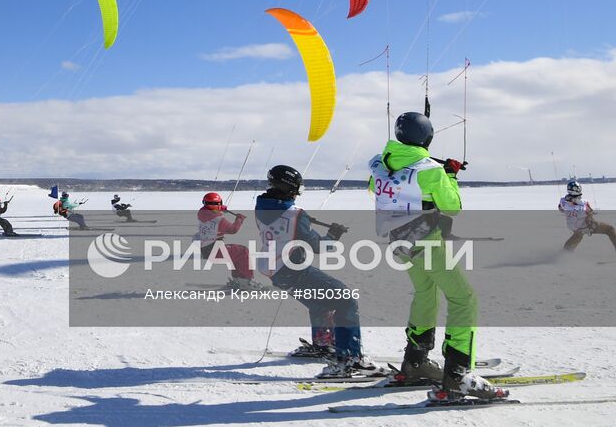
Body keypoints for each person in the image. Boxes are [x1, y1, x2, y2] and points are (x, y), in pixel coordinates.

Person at [370, 111, 506, 403]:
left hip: (398, 243)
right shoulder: (429, 169)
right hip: (424, 242)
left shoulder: (382, 164)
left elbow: (383, 188)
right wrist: (450, 176)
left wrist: (433, 177)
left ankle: (415, 362)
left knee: (425, 292)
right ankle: (458, 376)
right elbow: (453, 206)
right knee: (463, 298)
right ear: (427, 138)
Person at [255, 164, 379, 379]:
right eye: (297, 190)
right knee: (345, 299)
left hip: (273, 269)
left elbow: (284, 225)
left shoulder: (262, 206)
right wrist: (333, 235)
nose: (297, 194)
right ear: (288, 188)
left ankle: (323, 343)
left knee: (320, 301)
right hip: (291, 269)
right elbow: (319, 247)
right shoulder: (295, 214)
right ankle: (349, 359)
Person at [194, 192, 257, 291]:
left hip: (205, 249)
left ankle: (238, 280)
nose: (217, 206)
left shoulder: (202, 212)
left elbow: (211, 207)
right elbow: (233, 230)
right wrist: (239, 219)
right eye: (217, 204)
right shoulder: (217, 219)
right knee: (243, 251)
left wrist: (221, 208)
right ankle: (246, 282)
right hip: (214, 248)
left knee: (236, 254)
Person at [559, 180, 616, 256]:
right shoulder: (583, 202)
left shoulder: (563, 201)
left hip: (573, 226)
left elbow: (561, 208)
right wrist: (591, 222)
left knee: (577, 236)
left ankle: (564, 255)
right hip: (584, 225)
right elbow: (589, 213)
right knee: (610, 229)